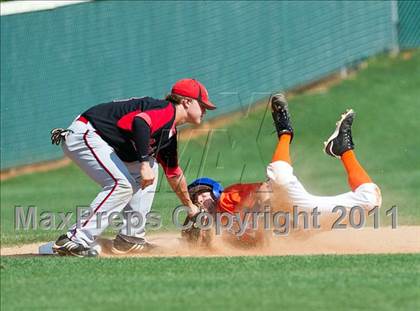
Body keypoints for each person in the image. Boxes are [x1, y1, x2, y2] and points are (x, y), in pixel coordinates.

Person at [183, 94, 382, 246]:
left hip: (289, 207)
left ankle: (285, 131)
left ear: (214, 190)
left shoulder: (227, 199)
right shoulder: (219, 233)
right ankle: (342, 148)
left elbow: (265, 191)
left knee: (279, 176)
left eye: (201, 194)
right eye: (195, 200)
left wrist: (256, 214)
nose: (199, 200)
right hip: (304, 227)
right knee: (370, 200)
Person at [50, 78, 216, 257]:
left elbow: (174, 174)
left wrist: (191, 207)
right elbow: (140, 122)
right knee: (121, 184)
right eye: (202, 105)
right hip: (86, 133)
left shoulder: (168, 133)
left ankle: (130, 239)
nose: (205, 110)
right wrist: (143, 162)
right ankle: (74, 239)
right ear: (186, 102)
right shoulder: (165, 111)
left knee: (151, 169)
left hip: (101, 141)